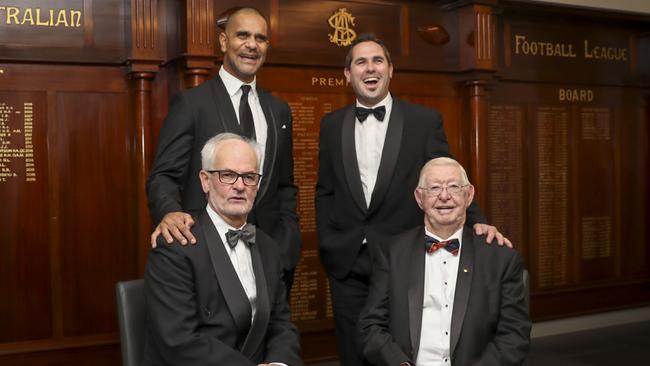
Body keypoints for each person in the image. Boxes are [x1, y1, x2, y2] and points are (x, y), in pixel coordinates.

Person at [315, 33, 511, 366]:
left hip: (400, 258)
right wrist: (329, 241)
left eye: (377, 60)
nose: (370, 68)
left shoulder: (423, 121)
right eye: (360, 62)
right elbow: (325, 190)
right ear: (348, 74)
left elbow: (446, 176)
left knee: (398, 348)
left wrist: (479, 222)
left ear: (391, 69)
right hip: (346, 259)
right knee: (351, 350)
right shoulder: (331, 125)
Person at [146, 7, 300, 295]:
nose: (252, 45)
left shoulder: (278, 111)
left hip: (270, 257)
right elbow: (163, 176)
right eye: (242, 35)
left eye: (261, 38)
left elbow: (284, 185)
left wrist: (287, 243)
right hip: (207, 252)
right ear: (223, 41)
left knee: (273, 335)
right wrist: (170, 214)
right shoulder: (191, 104)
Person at [143, 133, 302, 366]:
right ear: (205, 180)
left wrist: (280, 363)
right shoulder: (175, 246)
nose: (239, 186)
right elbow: (180, 342)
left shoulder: (268, 246)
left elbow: (281, 324)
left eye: (249, 177)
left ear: (257, 185)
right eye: (227, 175)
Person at [358, 157, 531, 366]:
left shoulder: (500, 258)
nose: (444, 196)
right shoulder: (393, 253)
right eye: (434, 188)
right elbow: (371, 326)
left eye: (454, 187)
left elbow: (514, 336)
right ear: (419, 198)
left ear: (469, 195)